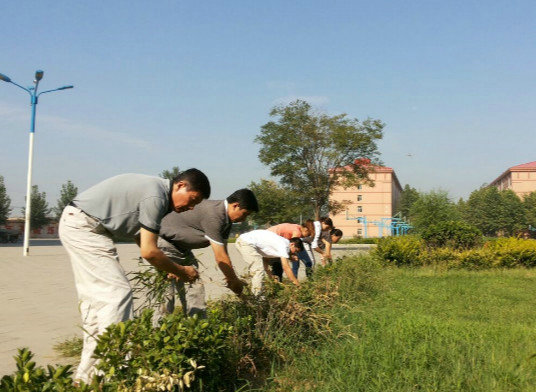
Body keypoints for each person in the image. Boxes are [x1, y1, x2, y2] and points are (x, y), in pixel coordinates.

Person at [59, 169, 210, 384]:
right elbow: (149, 251)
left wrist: (166, 268)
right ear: (181, 185)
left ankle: (87, 379)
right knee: (116, 295)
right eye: (192, 199)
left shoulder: (158, 193)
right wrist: (182, 270)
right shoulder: (156, 196)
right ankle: (114, 369)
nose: (191, 207)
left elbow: (141, 237)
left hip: (83, 224)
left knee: (98, 302)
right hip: (85, 227)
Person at [152, 189, 259, 319]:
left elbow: (224, 252)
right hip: (166, 247)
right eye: (245, 214)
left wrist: (232, 279)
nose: (243, 219)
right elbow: (220, 257)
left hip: (183, 250)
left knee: (195, 286)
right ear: (235, 205)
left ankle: (197, 328)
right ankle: (159, 331)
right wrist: (234, 281)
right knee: (167, 294)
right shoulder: (215, 215)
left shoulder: (227, 220)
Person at [235, 230, 304, 295]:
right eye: (295, 251)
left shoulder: (280, 245)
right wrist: (297, 284)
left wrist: (272, 277)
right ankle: (256, 298)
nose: (294, 253)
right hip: (246, 242)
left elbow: (265, 263)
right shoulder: (285, 246)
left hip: (244, 242)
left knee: (257, 269)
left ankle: (243, 285)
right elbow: (286, 267)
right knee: (258, 269)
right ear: (292, 244)